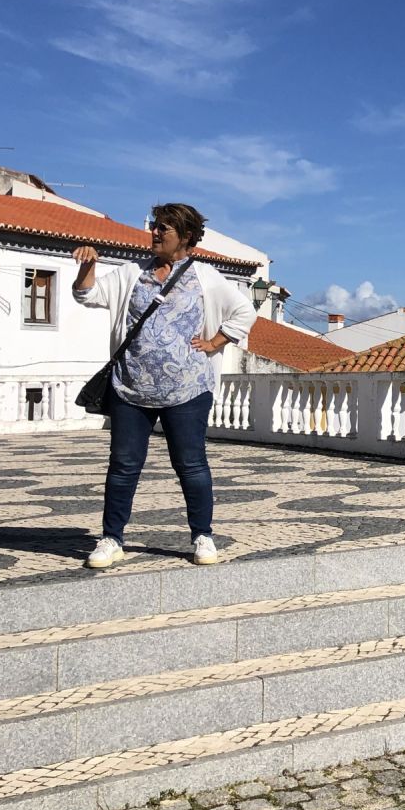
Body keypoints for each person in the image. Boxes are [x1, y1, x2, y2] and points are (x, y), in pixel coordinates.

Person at [71, 202, 255, 569]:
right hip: (130, 388)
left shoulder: (205, 276)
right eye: (155, 226)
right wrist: (88, 266)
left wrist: (216, 342)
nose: (155, 233)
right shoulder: (130, 274)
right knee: (123, 465)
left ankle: (202, 535)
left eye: (164, 229)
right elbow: (87, 295)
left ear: (185, 238)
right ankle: (111, 539)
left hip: (188, 390)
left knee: (191, 464)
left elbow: (244, 311)